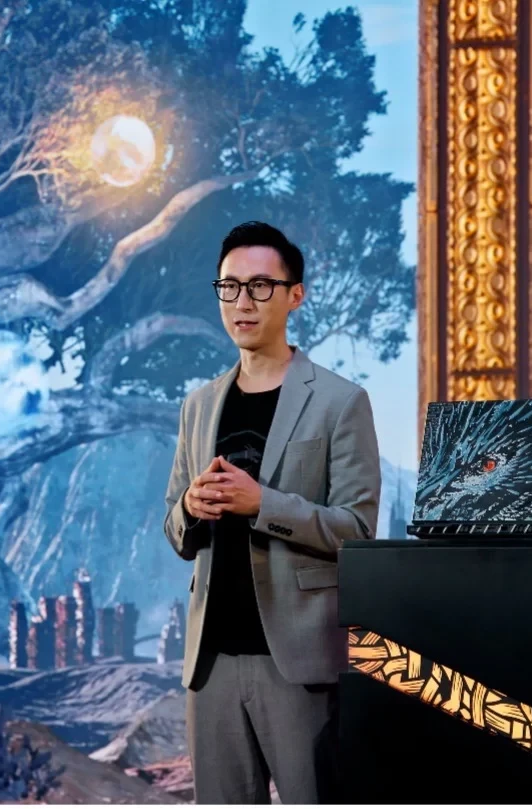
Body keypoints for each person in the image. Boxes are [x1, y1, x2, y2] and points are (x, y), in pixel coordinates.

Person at [162, 221, 381, 804]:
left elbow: (358, 530)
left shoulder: (340, 401)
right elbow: (175, 530)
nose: (242, 302)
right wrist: (190, 507)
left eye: (261, 286)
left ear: (295, 295)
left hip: (299, 661)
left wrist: (264, 505)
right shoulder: (198, 405)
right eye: (230, 287)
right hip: (210, 663)